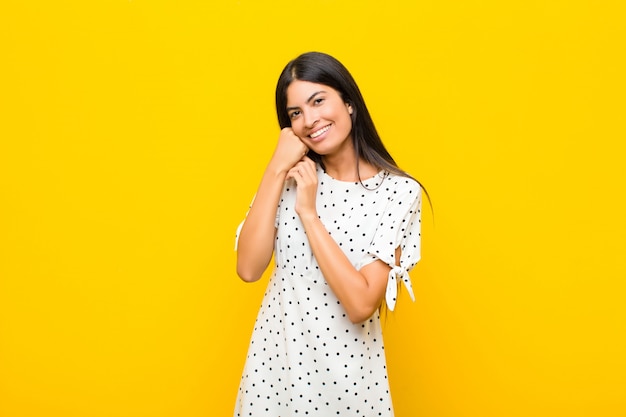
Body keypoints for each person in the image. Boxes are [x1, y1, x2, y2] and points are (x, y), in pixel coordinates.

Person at [234, 52, 424, 417]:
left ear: (348, 102)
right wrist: (276, 166)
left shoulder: (398, 193)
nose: (310, 120)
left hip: (348, 386)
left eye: (318, 101)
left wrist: (309, 214)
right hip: (273, 379)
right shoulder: (287, 178)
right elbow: (248, 268)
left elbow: (361, 303)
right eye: (295, 113)